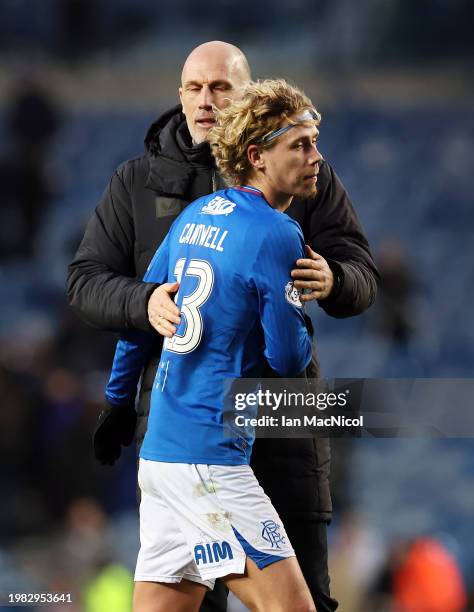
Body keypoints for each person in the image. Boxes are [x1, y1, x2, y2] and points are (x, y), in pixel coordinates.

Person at [67, 41, 379, 612]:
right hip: (206, 425)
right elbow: (86, 283)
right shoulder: (140, 183)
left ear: (250, 98)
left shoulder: (298, 172)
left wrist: (333, 279)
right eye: (194, 87)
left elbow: (362, 274)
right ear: (180, 95)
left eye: (222, 88)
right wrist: (144, 302)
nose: (206, 100)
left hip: (253, 425)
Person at [105, 78, 321, 612]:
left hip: (159, 454)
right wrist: (294, 304)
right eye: (301, 144)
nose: (316, 156)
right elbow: (288, 360)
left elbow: (141, 321)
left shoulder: (191, 217)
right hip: (209, 460)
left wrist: (116, 400)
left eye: (314, 142)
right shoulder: (276, 232)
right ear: (257, 156)